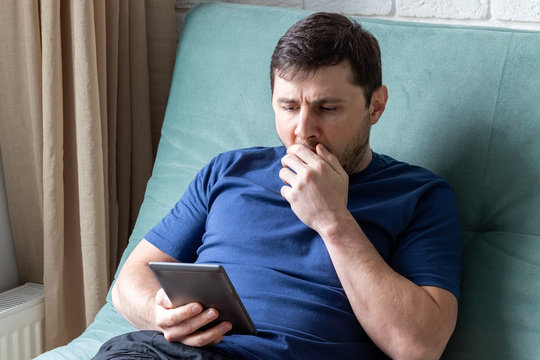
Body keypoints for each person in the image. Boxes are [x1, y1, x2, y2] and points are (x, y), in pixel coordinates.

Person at [94, 12, 461, 360]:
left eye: (327, 108)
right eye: (288, 107)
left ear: (375, 106)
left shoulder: (419, 195)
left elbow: (418, 347)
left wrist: (333, 220)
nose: (303, 130)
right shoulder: (228, 170)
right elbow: (129, 283)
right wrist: (159, 313)